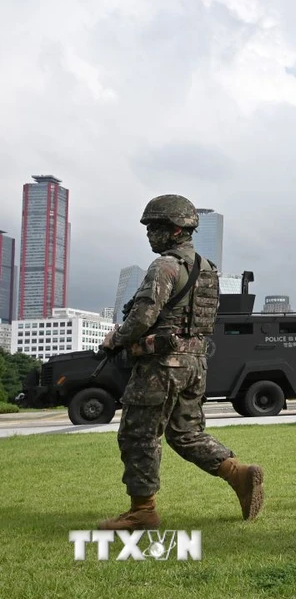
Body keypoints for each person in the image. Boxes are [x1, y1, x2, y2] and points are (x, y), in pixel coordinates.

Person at [98, 194, 263, 530]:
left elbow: (143, 317)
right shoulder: (206, 269)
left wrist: (114, 340)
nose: (148, 234)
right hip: (195, 362)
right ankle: (239, 474)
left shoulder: (165, 266)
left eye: (154, 227)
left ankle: (142, 511)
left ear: (174, 230)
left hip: (161, 365)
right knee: (186, 433)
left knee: (138, 434)